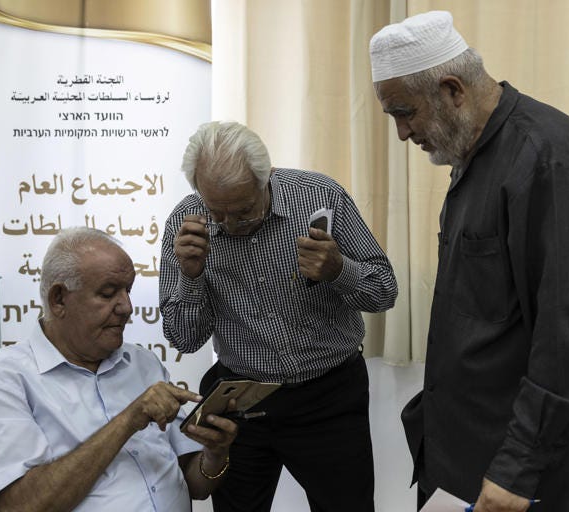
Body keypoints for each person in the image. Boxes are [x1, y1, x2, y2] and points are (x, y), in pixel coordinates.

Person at [369, 10, 569, 512]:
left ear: (452, 90)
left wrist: (515, 469)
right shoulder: (473, 153)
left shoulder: (547, 157)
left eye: (405, 113)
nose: (402, 134)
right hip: (467, 459)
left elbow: (564, 338)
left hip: (525, 481)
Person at [159, 121, 398, 511]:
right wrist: (190, 277)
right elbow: (184, 339)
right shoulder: (185, 226)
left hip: (329, 397)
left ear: (266, 177)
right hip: (242, 404)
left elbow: (384, 291)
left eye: (243, 211)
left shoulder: (321, 197)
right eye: (217, 213)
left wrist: (339, 270)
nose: (230, 225)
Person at [0, 227, 238, 512]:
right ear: (59, 300)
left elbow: (196, 485)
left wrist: (215, 453)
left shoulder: (143, 363)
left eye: (128, 290)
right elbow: (21, 506)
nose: (127, 308)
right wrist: (129, 419)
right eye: (108, 293)